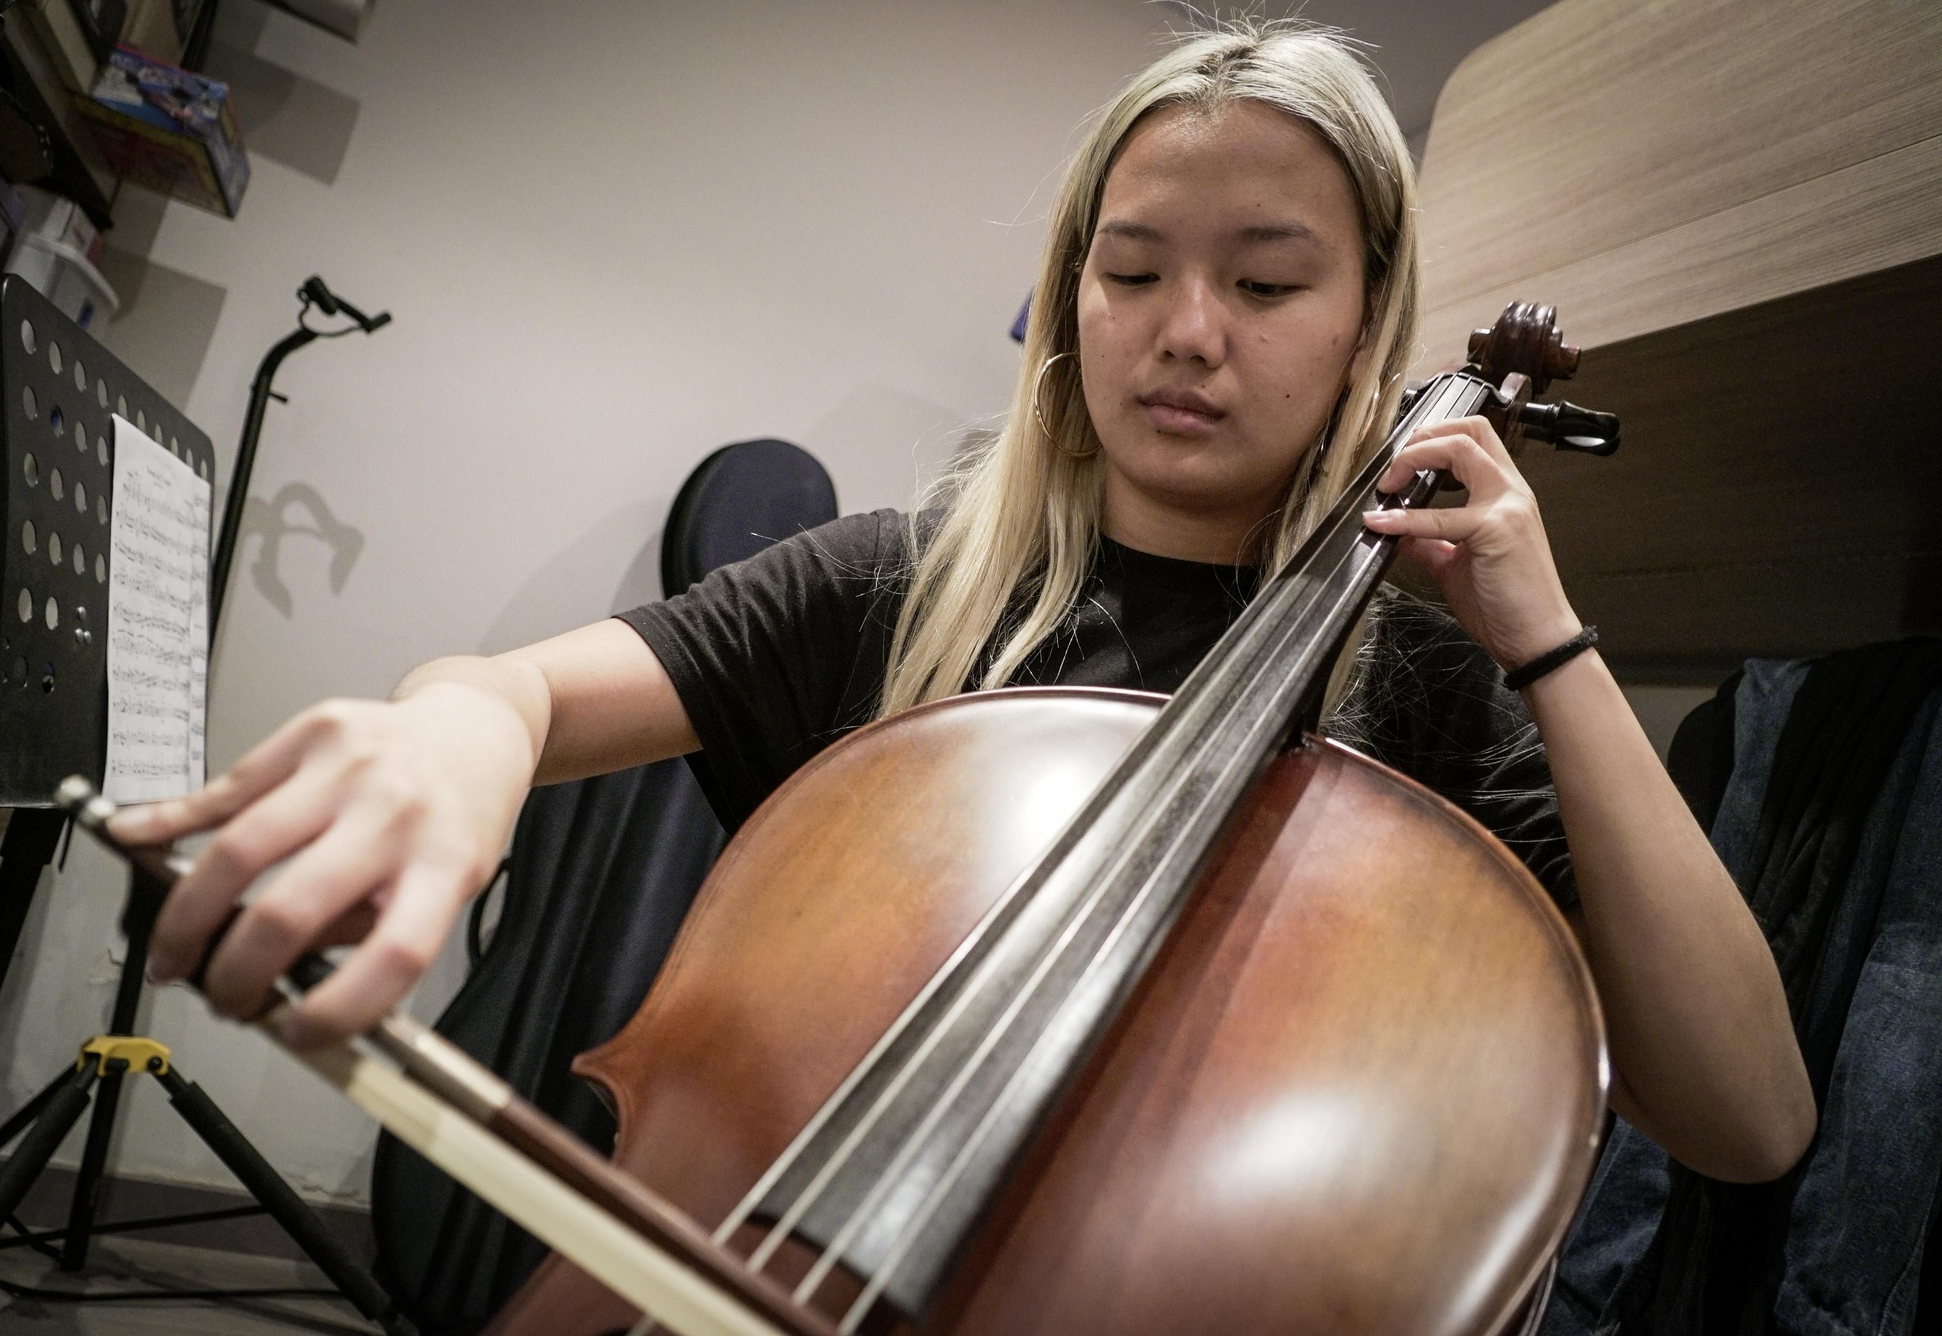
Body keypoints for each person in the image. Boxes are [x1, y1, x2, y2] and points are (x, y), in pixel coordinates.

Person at [113, 21, 1814, 1185]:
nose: (1188, 330)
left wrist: (1551, 644)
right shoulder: (904, 584)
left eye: (1266, 280)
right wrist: (456, 736)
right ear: (1072, 297)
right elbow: (519, 694)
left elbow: (1744, 1118)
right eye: (1131, 269)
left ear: (1367, 323)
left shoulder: (1426, 686)